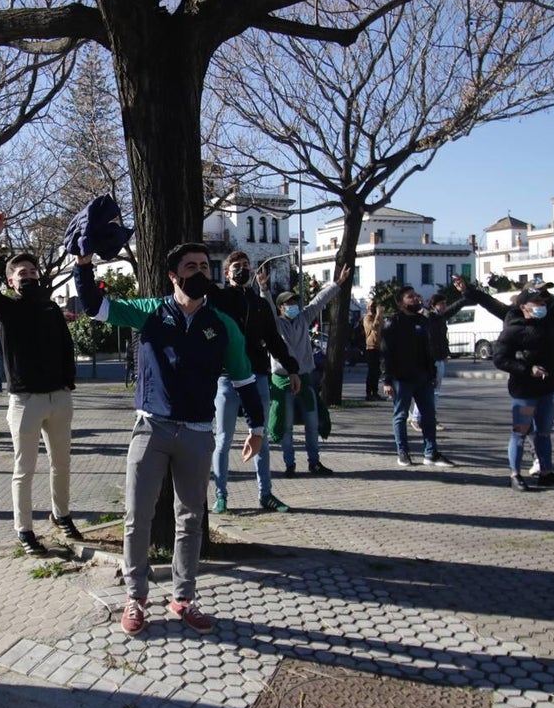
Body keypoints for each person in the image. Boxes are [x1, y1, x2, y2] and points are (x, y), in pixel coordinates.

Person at [74, 243, 265, 637]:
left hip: (197, 433)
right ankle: (136, 597)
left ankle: (183, 598)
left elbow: (244, 379)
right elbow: (95, 304)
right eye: (190, 266)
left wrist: (257, 427)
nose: (200, 272)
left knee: (190, 519)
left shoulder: (221, 323)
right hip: (151, 429)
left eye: (204, 266)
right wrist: (84, 262)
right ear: (174, 276)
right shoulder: (150, 312)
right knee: (136, 517)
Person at [0, 211, 81, 556]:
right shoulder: (8, 309)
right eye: (23, 273)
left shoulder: (50, 309)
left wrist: (67, 383)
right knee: (25, 469)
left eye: (33, 271)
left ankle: (61, 514)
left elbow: (67, 348)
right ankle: (24, 529)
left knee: (61, 463)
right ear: (11, 282)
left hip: (59, 399)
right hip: (25, 403)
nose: (30, 276)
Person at [454, 259, 554, 476]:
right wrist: (468, 290)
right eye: (538, 295)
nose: (543, 299)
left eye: (545, 294)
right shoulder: (513, 316)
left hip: (553, 374)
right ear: (525, 301)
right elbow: (488, 302)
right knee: (525, 426)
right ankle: (532, 461)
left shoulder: (553, 312)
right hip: (526, 380)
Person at [209, 252, 299, 514]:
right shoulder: (219, 299)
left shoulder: (259, 305)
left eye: (246, 266)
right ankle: (221, 495)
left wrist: (292, 369)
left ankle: (266, 494)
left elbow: (274, 339)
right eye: (236, 267)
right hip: (226, 377)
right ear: (226, 273)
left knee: (261, 437)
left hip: (258, 375)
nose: (242, 270)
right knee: (223, 439)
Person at [261, 266, 350, 477]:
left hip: (305, 378)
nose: (293, 306)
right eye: (288, 304)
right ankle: (289, 463)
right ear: (280, 307)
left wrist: (336, 284)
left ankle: (314, 462)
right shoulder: (275, 324)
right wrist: (264, 288)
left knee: (312, 423)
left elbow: (319, 300)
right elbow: (267, 308)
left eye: (294, 303)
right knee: (286, 425)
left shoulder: (303, 319)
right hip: (282, 380)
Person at [493, 289, 554, 491]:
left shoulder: (549, 325)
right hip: (524, 393)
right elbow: (500, 359)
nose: (541, 306)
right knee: (520, 433)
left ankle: (545, 473)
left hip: (547, 389)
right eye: (536, 303)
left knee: (543, 433)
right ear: (523, 307)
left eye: (542, 302)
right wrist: (528, 369)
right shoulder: (513, 330)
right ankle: (515, 475)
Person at [380, 286, 455, 468]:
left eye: (416, 296)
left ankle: (431, 453)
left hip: (423, 377)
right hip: (401, 378)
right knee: (400, 415)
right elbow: (385, 353)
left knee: (428, 416)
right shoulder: (393, 322)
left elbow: (427, 349)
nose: (415, 299)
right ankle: (403, 452)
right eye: (409, 297)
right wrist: (387, 380)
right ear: (401, 302)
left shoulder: (424, 320)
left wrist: (432, 373)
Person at [409, 292, 469, 431]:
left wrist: (466, 297)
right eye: (441, 303)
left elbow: (453, 310)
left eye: (445, 303)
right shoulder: (429, 317)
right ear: (434, 305)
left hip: (439, 358)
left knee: (434, 392)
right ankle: (417, 418)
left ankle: (429, 418)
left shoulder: (440, 318)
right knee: (427, 391)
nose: (444, 306)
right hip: (431, 359)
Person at [362, 303, 385, 401]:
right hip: (370, 347)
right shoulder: (367, 318)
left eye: (374, 307)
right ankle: (369, 393)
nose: (372, 308)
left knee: (376, 372)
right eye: (370, 306)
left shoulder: (377, 317)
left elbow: (382, 328)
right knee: (371, 371)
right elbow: (374, 326)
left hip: (378, 347)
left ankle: (375, 392)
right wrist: (378, 314)